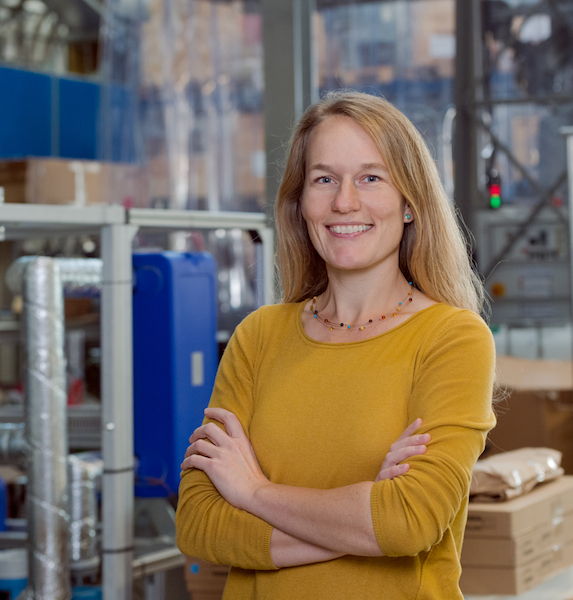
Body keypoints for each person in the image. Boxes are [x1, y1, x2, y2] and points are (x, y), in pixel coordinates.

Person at [175, 91, 496, 599]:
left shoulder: (452, 338)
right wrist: (362, 519)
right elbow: (198, 524)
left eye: (371, 177)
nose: (344, 202)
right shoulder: (259, 336)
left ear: (410, 203)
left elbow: (409, 522)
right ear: (301, 205)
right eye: (324, 179)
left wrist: (254, 492)